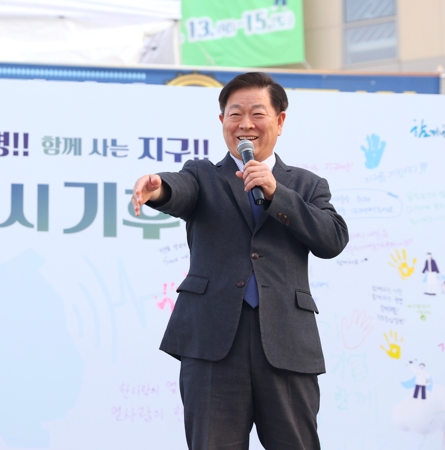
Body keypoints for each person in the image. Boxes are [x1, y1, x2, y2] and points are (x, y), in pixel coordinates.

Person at [131, 72, 349, 449]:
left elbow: (332, 239)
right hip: (212, 341)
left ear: (280, 120)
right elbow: (179, 190)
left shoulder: (306, 185)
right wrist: (160, 188)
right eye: (235, 114)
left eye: (257, 114)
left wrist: (277, 193)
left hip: (286, 342)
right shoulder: (202, 175)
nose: (245, 124)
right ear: (222, 121)